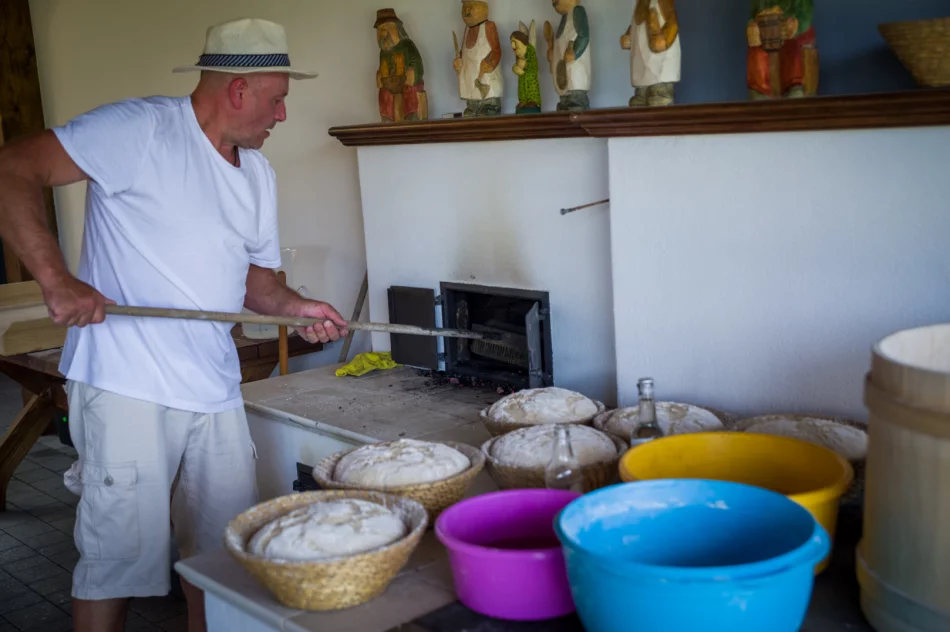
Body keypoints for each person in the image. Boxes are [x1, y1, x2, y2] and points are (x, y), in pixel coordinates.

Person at [0, 17, 347, 632]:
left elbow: (256, 283)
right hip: (127, 384)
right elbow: (12, 169)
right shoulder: (140, 130)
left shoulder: (258, 176)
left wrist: (300, 308)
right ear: (238, 91)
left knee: (220, 561)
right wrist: (56, 279)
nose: (283, 115)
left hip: (212, 389)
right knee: (115, 562)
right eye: (278, 99)